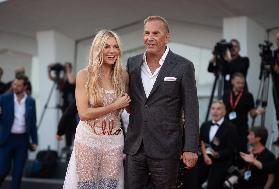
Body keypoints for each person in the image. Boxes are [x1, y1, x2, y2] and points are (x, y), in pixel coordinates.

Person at [124, 16, 199, 189]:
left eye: (155, 33)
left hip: (166, 147)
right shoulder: (132, 63)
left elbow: (191, 110)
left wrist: (191, 147)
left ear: (167, 37)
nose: (149, 37)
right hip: (135, 146)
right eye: (146, 33)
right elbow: (130, 102)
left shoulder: (183, 66)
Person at [63, 29, 130, 189]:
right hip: (88, 139)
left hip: (114, 140)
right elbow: (84, 114)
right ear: (98, 49)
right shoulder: (84, 75)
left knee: (109, 186)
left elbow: (130, 107)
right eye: (106, 46)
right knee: (87, 186)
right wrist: (115, 106)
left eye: (115, 47)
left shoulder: (123, 76)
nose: (112, 51)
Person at [0, 75, 38, 189]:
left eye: (18, 85)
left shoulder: (31, 101)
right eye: (14, 84)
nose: (15, 87)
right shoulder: (3, 98)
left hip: (22, 141)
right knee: (3, 170)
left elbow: (32, 122)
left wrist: (35, 140)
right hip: (7, 139)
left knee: (18, 173)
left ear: (25, 87)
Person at [197, 100, 238, 189]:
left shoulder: (231, 127)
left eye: (218, 109)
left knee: (213, 183)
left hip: (221, 162)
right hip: (204, 159)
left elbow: (231, 149)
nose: (215, 111)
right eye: (213, 108)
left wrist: (218, 155)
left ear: (224, 112)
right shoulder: (205, 125)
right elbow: (200, 142)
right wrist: (205, 156)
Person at [223, 73, 265, 153]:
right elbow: (223, 110)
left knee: (241, 151)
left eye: (242, 83)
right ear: (232, 82)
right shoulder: (226, 94)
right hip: (227, 128)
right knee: (227, 150)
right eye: (238, 83)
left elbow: (252, 113)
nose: (240, 85)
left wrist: (256, 112)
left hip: (241, 129)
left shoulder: (248, 96)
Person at [48, 62, 76, 149]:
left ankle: (74, 144)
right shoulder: (62, 80)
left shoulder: (73, 76)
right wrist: (49, 70)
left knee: (73, 125)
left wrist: (67, 70)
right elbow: (51, 78)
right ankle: (68, 145)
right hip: (64, 105)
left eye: (67, 67)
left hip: (72, 104)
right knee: (66, 124)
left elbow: (71, 81)